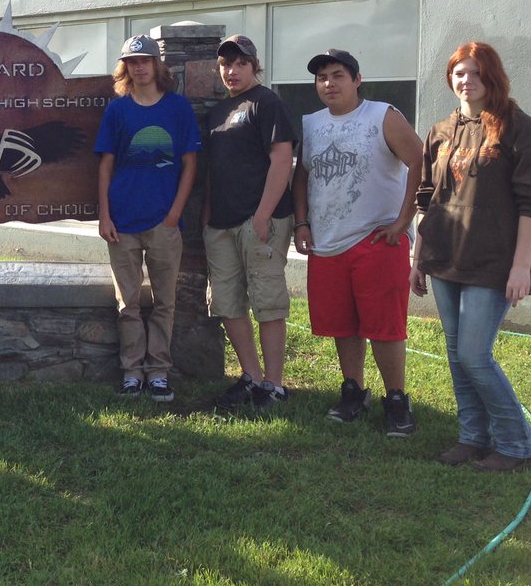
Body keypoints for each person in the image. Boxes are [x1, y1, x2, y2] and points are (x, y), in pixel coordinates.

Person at [411, 42, 531, 472]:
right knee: (457, 354)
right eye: (459, 72)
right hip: (444, 256)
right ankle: (472, 437)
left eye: (476, 73)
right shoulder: (441, 130)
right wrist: (418, 258)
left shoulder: (517, 128)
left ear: (492, 77)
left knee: (475, 355)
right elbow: (428, 198)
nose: (466, 81)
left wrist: (520, 265)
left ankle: (514, 444)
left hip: (492, 261)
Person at [292, 49, 423, 436]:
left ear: (356, 80)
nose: (328, 84)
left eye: (337, 75)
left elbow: (420, 161)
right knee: (342, 324)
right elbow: (303, 175)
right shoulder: (312, 124)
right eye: (321, 78)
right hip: (327, 242)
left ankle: (396, 398)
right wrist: (302, 222)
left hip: (377, 238)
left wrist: (404, 220)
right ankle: (353, 391)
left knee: (384, 326)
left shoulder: (383, 116)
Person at [95, 35, 200, 402]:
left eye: (145, 60)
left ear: (157, 65)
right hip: (121, 221)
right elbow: (106, 165)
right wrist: (104, 214)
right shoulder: (117, 110)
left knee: (164, 302)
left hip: (163, 222)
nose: (139, 67)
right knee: (128, 303)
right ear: (125, 68)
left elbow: (190, 164)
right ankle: (131, 372)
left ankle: (158, 372)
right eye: (132, 62)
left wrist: (174, 213)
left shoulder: (177, 109)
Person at [203, 35, 297, 412]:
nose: (232, 70)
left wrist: (262, 215)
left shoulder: (267, 103)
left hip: (260, 221)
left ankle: (274, 385)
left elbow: (282, 159)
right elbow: (212, 169)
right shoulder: (218, 113)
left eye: (240, 63)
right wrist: (208, 216)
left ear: (254, 65)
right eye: (226, 64)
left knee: (268, 303)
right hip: (221, 223)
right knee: (227, 302)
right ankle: (251, 377)